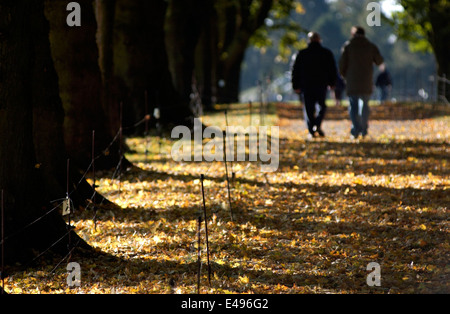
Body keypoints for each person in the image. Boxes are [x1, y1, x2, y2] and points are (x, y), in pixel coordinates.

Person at [339, 26, 384, 139]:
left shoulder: (348, 46)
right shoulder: (370, 46)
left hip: (352, 81)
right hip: (366, 80)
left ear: (353, 34)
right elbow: (379, 61)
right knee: (364, 105)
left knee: (353, 105)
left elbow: (341, 64)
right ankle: (364, 128)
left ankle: (356, 129)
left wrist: (345, 76)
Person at [291, 32, 337, 138]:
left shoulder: (302, 54)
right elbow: (332, 69)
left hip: (306, 85)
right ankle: (317, 124)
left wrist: (295, 85)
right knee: (322, 106)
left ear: (309, 40)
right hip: (321, 84)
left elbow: (295, 70)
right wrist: (332, 82)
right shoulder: (326, 53)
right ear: (319, 40)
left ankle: (312, 128)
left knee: (308, 107)